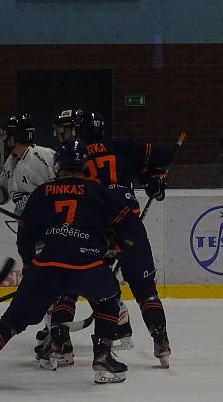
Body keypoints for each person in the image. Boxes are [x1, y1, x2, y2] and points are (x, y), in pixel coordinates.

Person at [0, 139, 145, 388]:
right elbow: (132, 231)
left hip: (46, 269)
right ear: (84, 165)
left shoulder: (41, 193)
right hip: (86, 266)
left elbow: (25, 236)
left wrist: (31, 264)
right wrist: (112, 250)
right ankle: (102, 358)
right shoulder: (100, 192)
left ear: (58, 166)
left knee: (12, 320)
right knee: (109, 300)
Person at [44, 109, 173, 365]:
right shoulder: (121, 146)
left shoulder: (73, 155)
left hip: (92, 230)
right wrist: (155, 179)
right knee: (145, 290)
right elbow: (161, 156)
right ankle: (162, 343)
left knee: (69, 287)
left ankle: (59, 343)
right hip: (127, 226)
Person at [0, 113, 56, 217]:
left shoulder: (45, 156)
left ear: (13, 138)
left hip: (48, 224)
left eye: (6, 137)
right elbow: (4, 191)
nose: (4, 141)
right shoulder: (12, 160)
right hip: (27, 225)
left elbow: (62, 188)